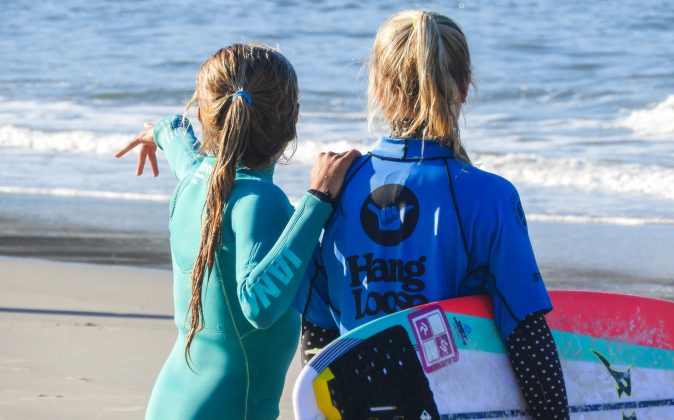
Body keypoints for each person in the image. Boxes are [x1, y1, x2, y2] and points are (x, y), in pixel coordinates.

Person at [294, 10, 570, 419]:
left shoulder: (334, 188)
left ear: (378, 89)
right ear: (463, 87)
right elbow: (525, 333)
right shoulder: (489, 198)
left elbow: (319, 335)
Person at [115, 44, 359, 420]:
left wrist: (158, 131)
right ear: (291, 121)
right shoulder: (260, 202)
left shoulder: (196, 178)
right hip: (229, 409)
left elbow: (176, 139)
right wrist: (318, 200)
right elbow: (258, 305)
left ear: (203, 114)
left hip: (170, 400)